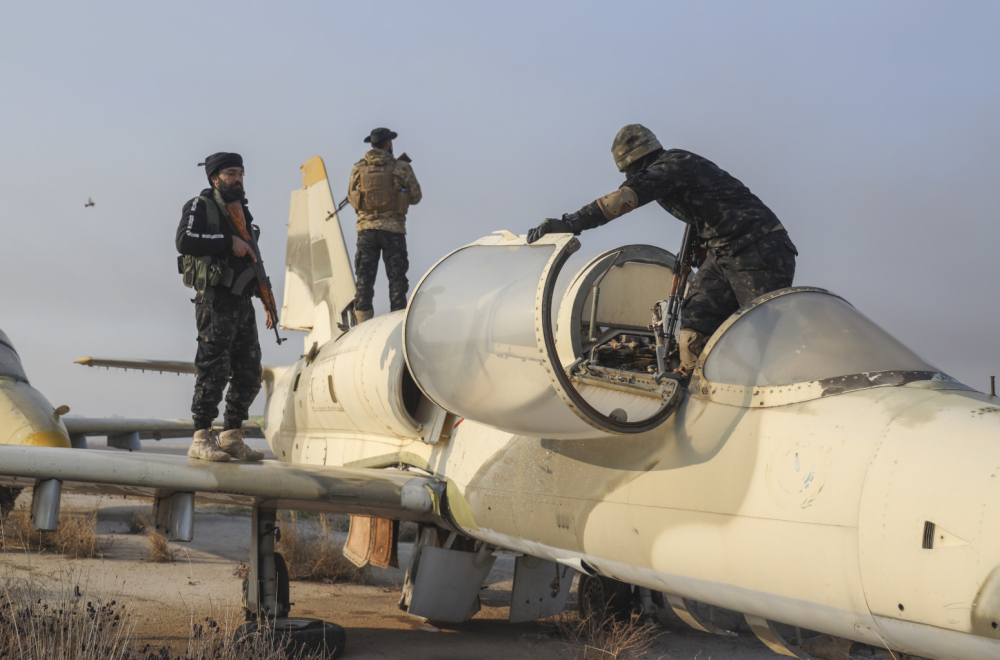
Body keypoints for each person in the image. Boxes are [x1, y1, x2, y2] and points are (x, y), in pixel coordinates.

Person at [527, 124, 797, 376]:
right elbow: (703, 211)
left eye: (627, 170)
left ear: (635, 162)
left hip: (758, 248)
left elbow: (621, 200)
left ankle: (791, 379)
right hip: (723, 252)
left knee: (764, 330)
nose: (627, 177)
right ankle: (694, 380)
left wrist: (568, 224)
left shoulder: (670, 167)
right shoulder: (672, 169)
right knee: (696, 319)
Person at [175, 152, 269, 462]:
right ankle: (202, 436)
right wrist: (227, 242)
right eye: (231, 173)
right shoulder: (201, 206)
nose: (238, 178)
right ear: (215, 177)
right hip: (215, 300)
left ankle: (231, 435)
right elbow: (185, 240)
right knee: (214, 367)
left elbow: (253, 256)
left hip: (242, 300)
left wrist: (265, 299)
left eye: (240, 173)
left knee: (250, 372)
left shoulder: (242, 212)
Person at [348, 127, 422, 322]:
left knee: (364, 281)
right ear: (388, 144)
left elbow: (352, 197)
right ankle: (398, 322)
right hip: (394, 231)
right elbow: (416, 197)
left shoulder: (358, 168)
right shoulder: (402, 168)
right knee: (397, 280)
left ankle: (362, 324)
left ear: (372, 145)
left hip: (366, 231)